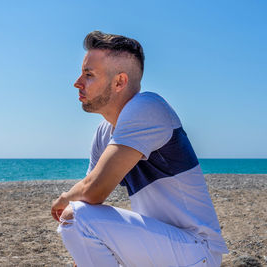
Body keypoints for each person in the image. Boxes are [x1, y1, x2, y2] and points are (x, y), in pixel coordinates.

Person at [50, 31, 228, 267]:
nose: (78, 82)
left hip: (197, 250)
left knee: (76, 217)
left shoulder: (147, 107)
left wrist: (63, 199)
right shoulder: (104, 132)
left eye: (89, 75)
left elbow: (93, 191)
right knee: (79, 219)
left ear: (120, 82)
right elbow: (89, 196)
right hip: (162, 248)